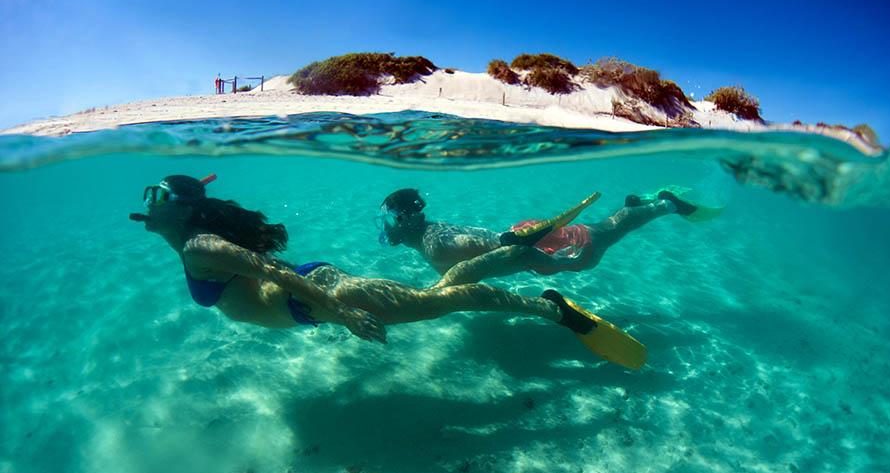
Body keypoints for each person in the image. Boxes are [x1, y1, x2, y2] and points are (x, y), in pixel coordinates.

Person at [128, 174, 648, 369]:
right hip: (313, 293)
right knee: (441, 291)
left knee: (444, 299)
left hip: (311, 296)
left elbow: (267, 269)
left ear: (181, 210)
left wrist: (340, 311)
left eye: (158, 197)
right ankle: (514, 259)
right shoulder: (194, 240)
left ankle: (548, 308)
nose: (148, 205)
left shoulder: (198, 244)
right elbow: (264, 269)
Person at [376, 187, 716, 288]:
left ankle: (663, 205)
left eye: (389, 220)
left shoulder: (438, 242)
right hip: (526, 240)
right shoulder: (431, 235)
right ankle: (639, 205)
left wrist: (556, 262)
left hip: (538, 243)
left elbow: (509, 249)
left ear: (406, 220)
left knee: (601, 240)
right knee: (602, 234)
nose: (386, 227)